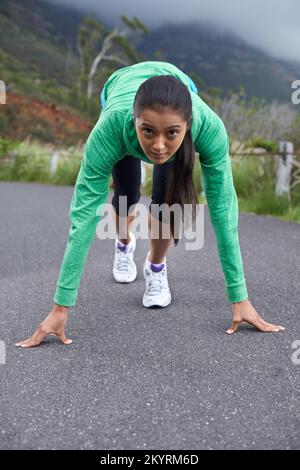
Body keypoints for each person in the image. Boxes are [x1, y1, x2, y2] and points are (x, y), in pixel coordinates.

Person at [15, 61, 285, 348]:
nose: (158, 146)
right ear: (135, 122)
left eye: (171, 133)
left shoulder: (209, 128)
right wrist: (61, 307)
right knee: (126, 195)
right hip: (118, 94)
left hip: (175, 91)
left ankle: (155, 268)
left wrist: (239, 297)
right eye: (148, 132)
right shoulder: (111, 128)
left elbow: (223, 211)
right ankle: (123, 242)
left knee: (167, 203)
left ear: (188, 125)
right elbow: (83, 217)